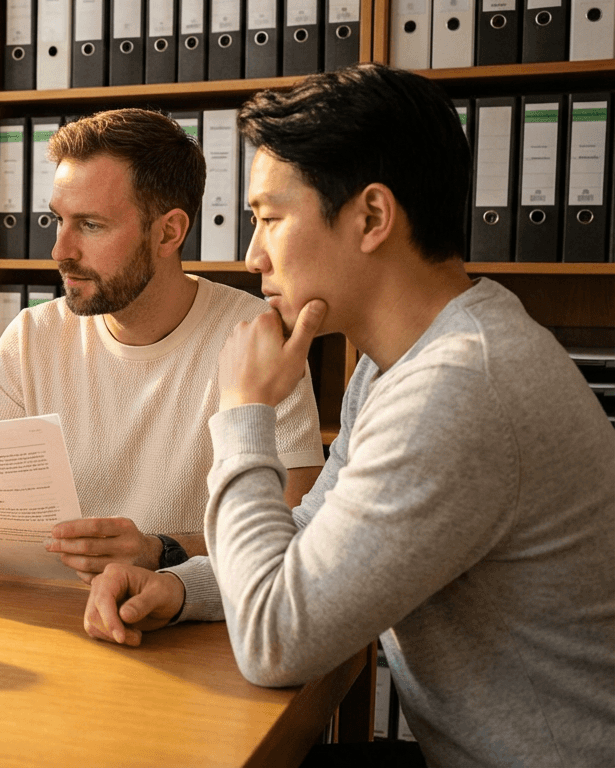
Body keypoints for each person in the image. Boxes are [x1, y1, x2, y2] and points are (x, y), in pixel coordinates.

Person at [84, 64, 615, 767]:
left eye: (270, 218)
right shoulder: (399, 361)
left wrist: (244, 414)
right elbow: (312, 537)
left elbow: (277, 642)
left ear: (371, 218)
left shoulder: (459, 386)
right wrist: (179, 588)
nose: (250, 257)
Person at [0, 108, 325, 581]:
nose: (60, 251)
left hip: (186, 633)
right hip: (46, 624)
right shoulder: (30, 338)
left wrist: (160, 552)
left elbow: (293, 535)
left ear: (169, 232)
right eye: (58, 220)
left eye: (90, 225)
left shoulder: (255, 337)